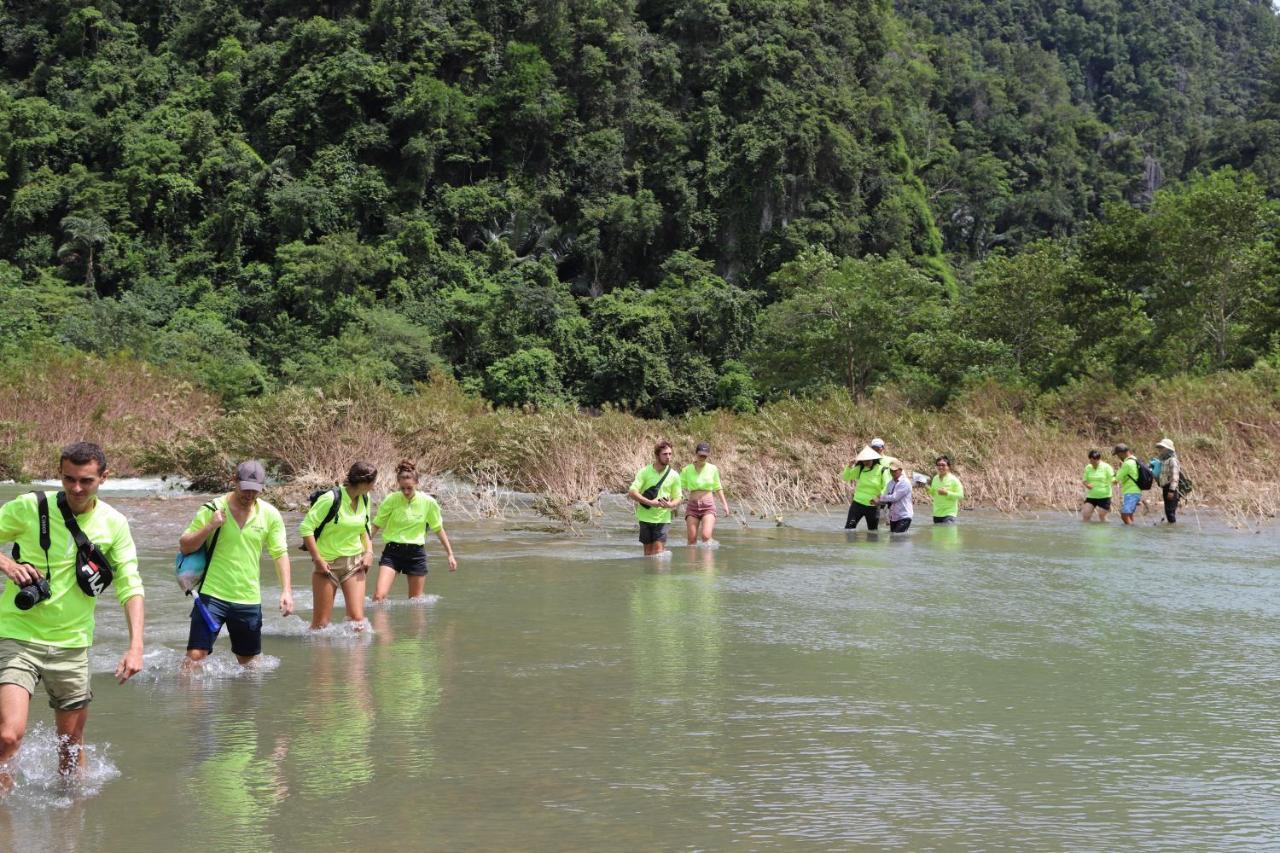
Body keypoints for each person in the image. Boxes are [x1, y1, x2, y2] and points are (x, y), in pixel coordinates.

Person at [0, 442, 145, 790]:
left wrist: (136, 645)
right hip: (18, 635)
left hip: (72, 645)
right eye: (68, 479)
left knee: (69, 747)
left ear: (104, 478)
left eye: (86, 480)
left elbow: (131, 585)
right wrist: (7, 563)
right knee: (8, 736)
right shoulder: (29, 507)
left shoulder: (114, 523)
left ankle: (71, 821)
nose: (76, 488)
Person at [178, 460, 293, 669]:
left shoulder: (270, 515)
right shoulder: (212, 509)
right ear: (234, 481)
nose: (249, 496)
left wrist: (286, 590)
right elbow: (185, 546)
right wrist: (210, 526)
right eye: (245, 489)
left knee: (248, 664)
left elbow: (280, 553)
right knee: (194, 658)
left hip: (248, 598)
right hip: (212, 594)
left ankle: (244, 703)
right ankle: (191, 702)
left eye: (255, 491)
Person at [300, 462, 377, 629]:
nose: (374, 487)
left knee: (358, 622)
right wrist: (317, 559)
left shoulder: (366, 498)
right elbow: (306, 528)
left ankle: (354, 656)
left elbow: (364, 527)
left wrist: (369, 551)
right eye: (373, 483)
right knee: (321, 626)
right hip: (327, 566)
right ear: (365, 483)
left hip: (354, 564)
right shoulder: (330, 498)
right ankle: (321, 655)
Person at [371, 460, 457, 602]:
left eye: (409, 488)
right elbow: (376, 525)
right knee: (378, 597)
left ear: (417, 483)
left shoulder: (428, 502)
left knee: (415, 601)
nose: (405, 492)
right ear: (398, 485)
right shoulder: (391, 500)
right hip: (392, 553)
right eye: (402, 488)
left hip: (416, 554)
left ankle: (415, 625)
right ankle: (380, 625)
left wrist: (450, 555)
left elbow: (438, 529)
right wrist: (363, 549)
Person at [627, 442, 683, 556]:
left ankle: (660, 573)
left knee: (658, 552)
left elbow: (678, 497)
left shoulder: (674, 475)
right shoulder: (644, 472)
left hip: (663, 518)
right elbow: (632, 492)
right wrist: (650, 503)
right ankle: (649, 574)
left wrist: (671, 505)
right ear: (657, 456)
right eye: (665, 454)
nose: (668, 457)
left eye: (670, 454)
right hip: (645, 517)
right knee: (648, 554)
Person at [680, 442, 731, 546]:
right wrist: (672, 501)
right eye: (700, 455)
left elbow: (718, 487)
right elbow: (678, 487)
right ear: (696, 454)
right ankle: (692, 562)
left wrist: (725, 505)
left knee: (706, 536)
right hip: (692, 506)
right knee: (691, 539)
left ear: (708, 455)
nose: (702, 457)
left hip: (708, 505)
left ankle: (707, 560)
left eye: (705, 455)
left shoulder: (713, 469)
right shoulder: (687, 470)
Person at [842, 446, 887, 530]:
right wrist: (849, 466)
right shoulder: (860, 468)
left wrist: (879, 497)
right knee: (849, 528)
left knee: (872, 531)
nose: (866, 462)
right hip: (858, 503)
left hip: (873, 505)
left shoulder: (882, 470)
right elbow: (846, 477)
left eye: (868, 460)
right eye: (864, 460)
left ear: (873, 459)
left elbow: (887, 486)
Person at [877, 461, 913, 533]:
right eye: (891, 470)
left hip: (904, 516)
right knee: (893, 539)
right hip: (893, 517)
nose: (892, 472)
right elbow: (887, 498)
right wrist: (877, 502)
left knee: (896, 536)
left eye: (894, 471)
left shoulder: (905, 482)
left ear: (900, 470)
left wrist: (880, 498)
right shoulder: (890, 483)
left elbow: (895, 497)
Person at [1080, 449, 1115, 523]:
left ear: (1098, 459)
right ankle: (1087, 532)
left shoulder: (1107, 467)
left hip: (1104, 496)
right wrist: (1087, 485)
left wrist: (1114, 481)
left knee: (1102, 516)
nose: (1092, 463)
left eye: (1094, 461)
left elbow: (1113, 479)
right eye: (1090, 461)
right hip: (1091, 496)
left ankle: (1106, 531)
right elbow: (1084, 480)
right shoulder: (1088, 467)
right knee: (1085, 515)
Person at [928, 456, 965, 524]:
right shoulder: (935, 478)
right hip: (937, 513)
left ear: (948, 466)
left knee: (947, 533)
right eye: (938, 465)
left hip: (949, 514)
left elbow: (961, 495)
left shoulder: (954, 480)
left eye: (943, 465)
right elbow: (933, 493)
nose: (940, 467)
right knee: (938, 534)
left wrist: (947, 493)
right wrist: (925, 486)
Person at [1113, 444, 1141, 525]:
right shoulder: (1135, 459)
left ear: (1121, 453)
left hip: (1131, 492)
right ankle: (1132, 534)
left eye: (1117, 454)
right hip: (1135, 491)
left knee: (1124, 515)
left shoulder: (1127, 463)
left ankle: (1129, 533)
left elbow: (1116, 479)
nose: (1118, 456)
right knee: (1129, 514)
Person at [1155, 438, 1181, 524]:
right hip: (1165, 488)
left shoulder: (1172, 460)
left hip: (1171, 489)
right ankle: (1171, 529)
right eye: (1160, 448)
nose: (1160, 450)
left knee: (1170, 511)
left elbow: (1175, 476)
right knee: (1168, 511)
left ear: (1168, 449)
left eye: (1162, 448)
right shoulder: (1164, 461)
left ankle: (1172, 531)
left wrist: (1171, 490)